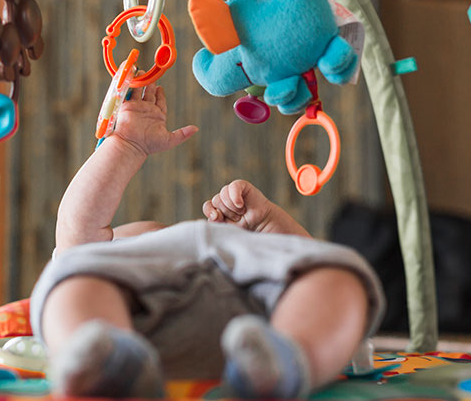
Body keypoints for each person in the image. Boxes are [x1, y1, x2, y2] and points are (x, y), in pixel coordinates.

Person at [30, 82, 385, 399]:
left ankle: (288, 358)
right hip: (134, 327)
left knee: (337, 278)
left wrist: (267, 224)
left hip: (263, 323)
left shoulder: (238, 253)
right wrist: (124, 147)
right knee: (73, 282)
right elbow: (76, 236)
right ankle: (109, 362)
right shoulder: (115, 264)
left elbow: (309, 261)